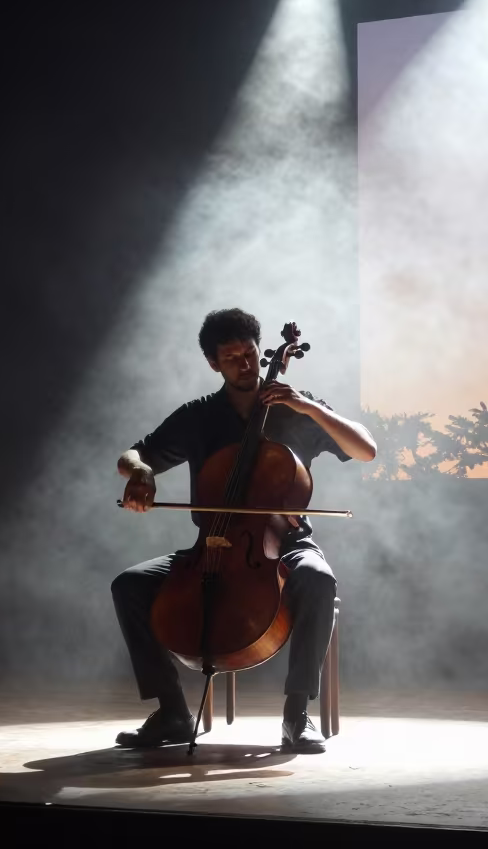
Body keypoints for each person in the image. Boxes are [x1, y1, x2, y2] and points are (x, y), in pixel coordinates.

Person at [112, 308, 376, 753]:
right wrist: (141, 472)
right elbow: (132, 455)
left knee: (318, 578)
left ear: (260, 350)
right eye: (231, 358)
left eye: (250, 353)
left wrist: (307, 405)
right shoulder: (199, 416)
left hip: (286, 544)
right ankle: (172, 712)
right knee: (129, 585)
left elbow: (366, 449)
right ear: (213, 363)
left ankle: (296, 715)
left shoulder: (294, 408)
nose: (245, 364)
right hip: (211, 546)